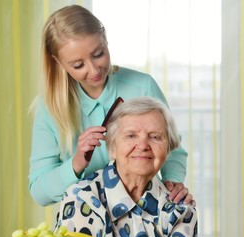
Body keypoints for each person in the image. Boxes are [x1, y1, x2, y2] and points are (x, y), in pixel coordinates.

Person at [29, 4, 193, 206]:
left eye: (98, 54)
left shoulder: (142, 86)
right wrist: (77, 162)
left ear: (105, 39)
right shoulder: (49, 108)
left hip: (145, 213)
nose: (94, 70)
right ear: (58, 62)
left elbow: (172, 148)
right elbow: (39, 192)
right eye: (78, 65)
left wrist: (173, 182)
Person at [55, 97, 198, 237]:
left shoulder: (181, 210)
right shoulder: (81, 198)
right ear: (112, 147)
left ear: (168, 150)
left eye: (155, 137)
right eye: (131, 136)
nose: (142, 146)